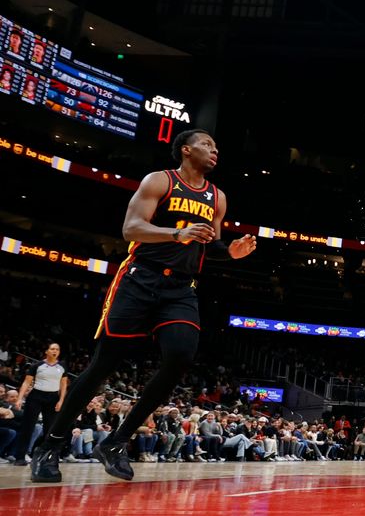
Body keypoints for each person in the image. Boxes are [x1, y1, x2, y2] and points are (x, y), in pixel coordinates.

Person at [30, 129, 257, 483]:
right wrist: (175, 233)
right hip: (140, 278)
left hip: (180, 288)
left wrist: (230, 251)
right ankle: (50, 445)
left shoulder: (218, 197)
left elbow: (209, 243)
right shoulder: (160, 181)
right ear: (186, 150)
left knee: (181, 356)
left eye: (216, 146)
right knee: (104, 364)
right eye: (207, 145)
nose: (214, 151)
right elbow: (131, 228)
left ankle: (117, 442)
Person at [13, 343, 67, 466]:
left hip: (53, 398)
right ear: (46, 351)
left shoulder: (62, 366)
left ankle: (45, 456)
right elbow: (26, 383)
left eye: (57, 349)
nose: (55, 351)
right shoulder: (37, 365)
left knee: (49, 429)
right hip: (36, 396)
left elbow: (63, 385)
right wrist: (19, 398)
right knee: (28, 427)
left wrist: (61, 400)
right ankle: (19, 457)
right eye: (52, 349)